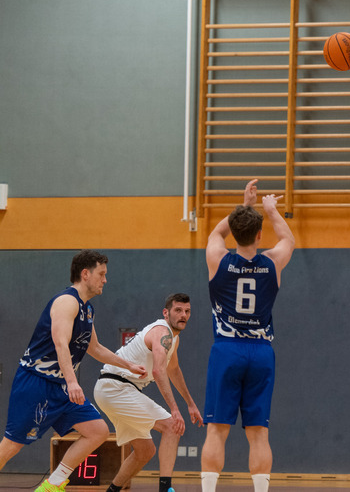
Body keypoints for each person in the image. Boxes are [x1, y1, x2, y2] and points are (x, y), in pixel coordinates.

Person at [0, 250, 146, 492]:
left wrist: (128, 365)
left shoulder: (87, 309)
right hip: (36, 383)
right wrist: (72, 382)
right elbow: (60, 343)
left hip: (60, 387)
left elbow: (95, 348)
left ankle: (52, 485)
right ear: (85, 274)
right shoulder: (66, 302)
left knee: (97, 431)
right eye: (101, 274)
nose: (105, 280)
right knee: (12, 445)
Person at [201, 179, 295, 492]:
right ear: (259, 235)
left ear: (236, 231)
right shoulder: (273, 263)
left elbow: (216, 234)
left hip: (226, 349)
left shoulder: (218, 258)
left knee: (216, 429)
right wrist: (271, 210)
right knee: (258, 433)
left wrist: (246, 207)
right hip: (260, 351)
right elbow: (288, 239)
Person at [93, 293, 204, 492]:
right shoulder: (162, 332)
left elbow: (173, 370)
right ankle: (165, 489)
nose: (183, 315)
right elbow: (159, 371)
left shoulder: (173, 339)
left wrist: (190, 403)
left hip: (113, 389)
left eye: (187, 311)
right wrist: (175, 409)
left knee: (145, 451)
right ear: (166, 313)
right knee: (172, 427)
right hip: (116, 387)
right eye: (178, 310)